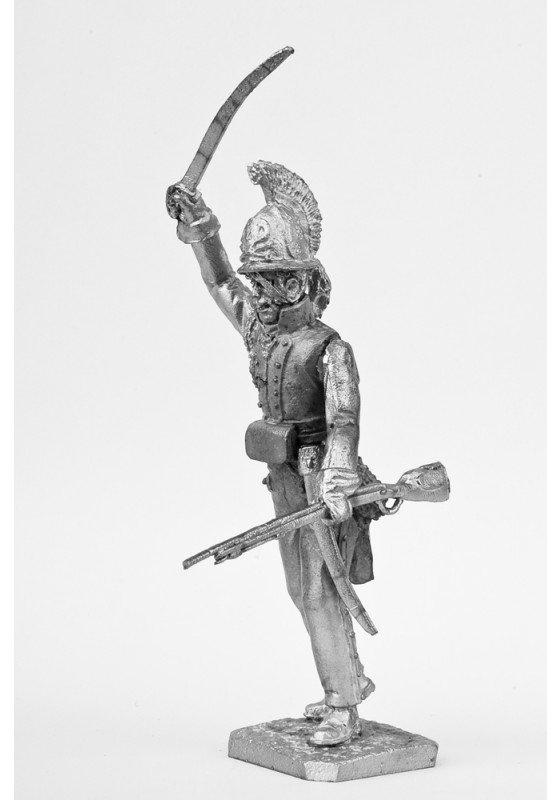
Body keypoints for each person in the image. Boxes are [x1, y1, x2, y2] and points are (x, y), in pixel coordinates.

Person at [166, 161, 380, 746]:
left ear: (306, 284)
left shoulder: (331, 348)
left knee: (318, 589)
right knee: (302, 588)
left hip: (318, 479)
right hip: (284, 478)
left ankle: (342, 703)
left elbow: (344, 420)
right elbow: (219, 282)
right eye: (261, 281)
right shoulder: (260, 332)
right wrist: (202, 230)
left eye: (280, 281)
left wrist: (338, 477)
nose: (264, 293)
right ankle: (349, 680)